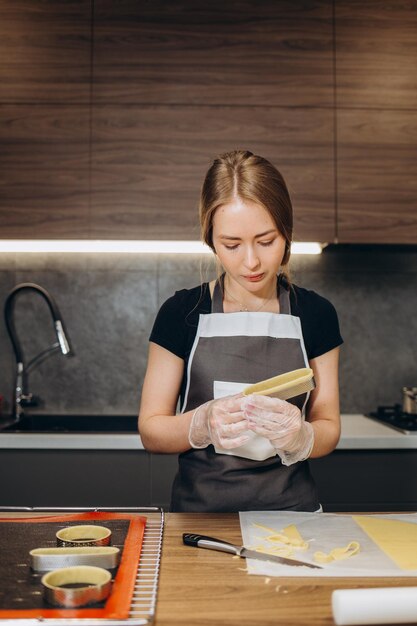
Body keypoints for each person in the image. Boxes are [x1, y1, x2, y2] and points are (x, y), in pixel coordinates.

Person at [139, 149, 342, 512]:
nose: (251, 261)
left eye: (266, 241)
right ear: (210, 240)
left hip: (294, 519)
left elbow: (328, 426)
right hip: (199, 520)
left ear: (287, 234)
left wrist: (302, 435)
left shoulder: (316, 314)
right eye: (231, 245)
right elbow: (152, 430)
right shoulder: (181, 313)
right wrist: (200, 422)